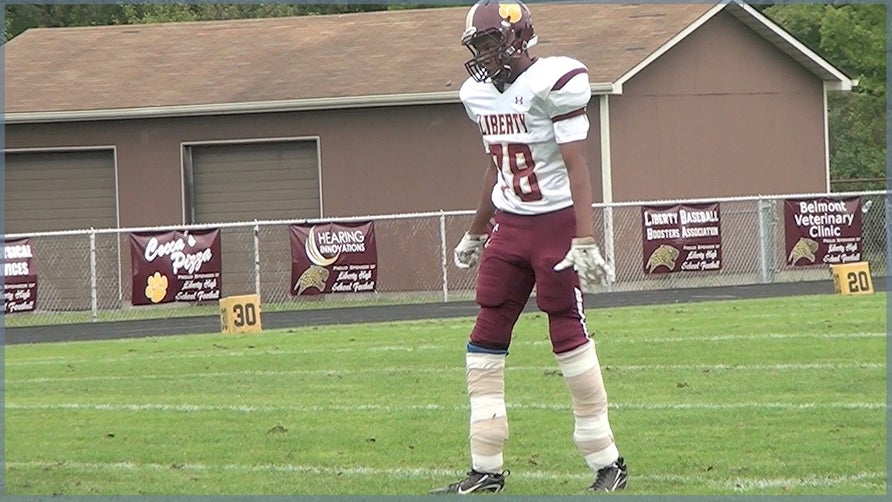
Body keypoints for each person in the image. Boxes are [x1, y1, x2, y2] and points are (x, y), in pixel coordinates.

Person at [431, 0, 627, 495]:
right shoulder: (479, 95)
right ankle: (486, 466)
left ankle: (607, 461)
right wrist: (477, 230)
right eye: (477, 45)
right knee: (486, 329)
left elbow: (577, 167)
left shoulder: (553, 82)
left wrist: (584, 237)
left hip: (555, 223)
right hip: (510, 226)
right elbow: (496, 167)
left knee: (566, 328)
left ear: (517, 40)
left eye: (490, 42)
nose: (483, 54)